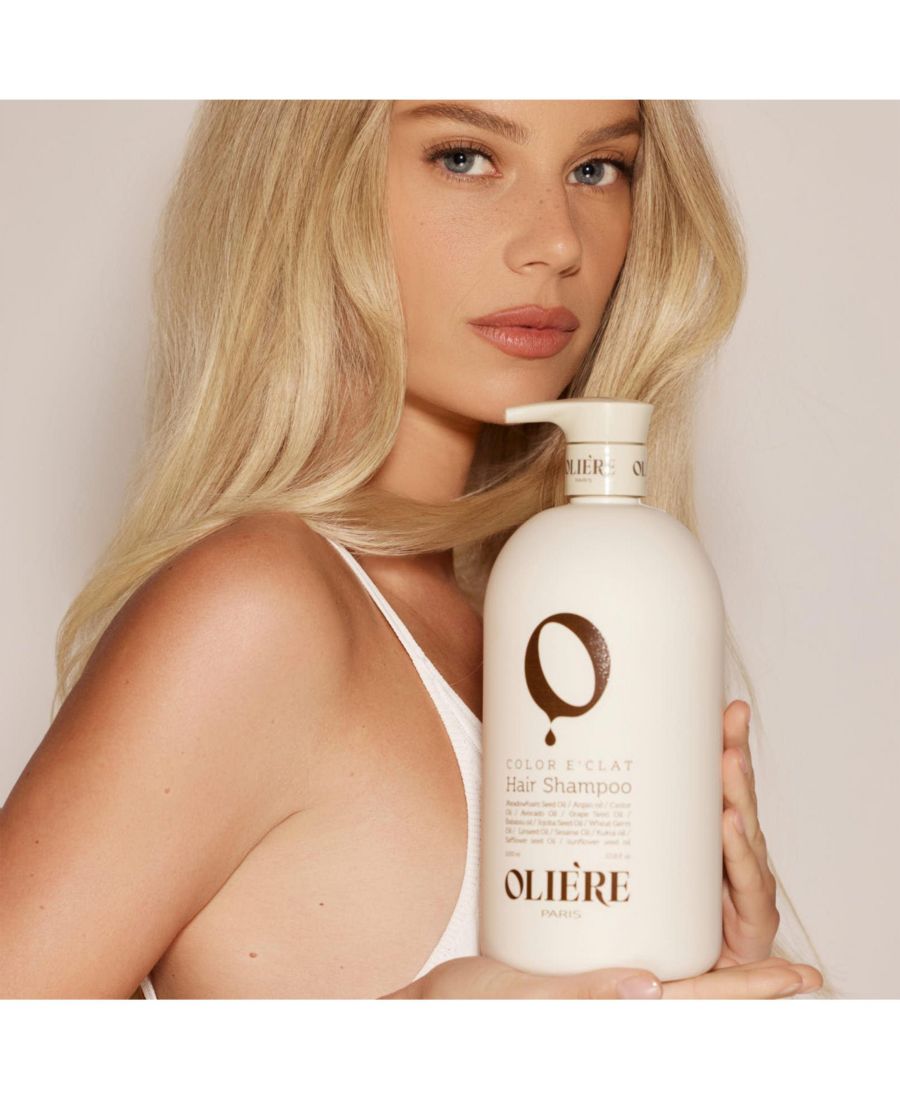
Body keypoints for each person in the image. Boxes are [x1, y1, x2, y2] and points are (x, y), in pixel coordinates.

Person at [0, 100, 825, 999]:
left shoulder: (515, 620)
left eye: (597, 169)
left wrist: (693, 985)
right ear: (308, 182)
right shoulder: (257, 611)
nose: (558, 243)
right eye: (465, 157)